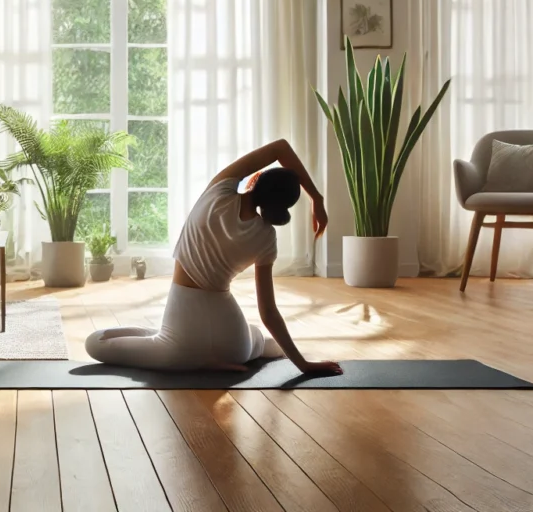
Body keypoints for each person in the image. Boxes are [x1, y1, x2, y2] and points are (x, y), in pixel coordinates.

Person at [84, 139, 343, 375]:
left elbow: (280, 148)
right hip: (234, 344)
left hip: (180, 342)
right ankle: (237, 351)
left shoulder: (217, 193)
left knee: (95, 343)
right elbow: (268, 313)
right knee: (258, 340)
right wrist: (304, 366)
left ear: (254, 180)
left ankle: (197, 357)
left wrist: (316, 199)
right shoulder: (266, 239)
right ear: (282, 207)